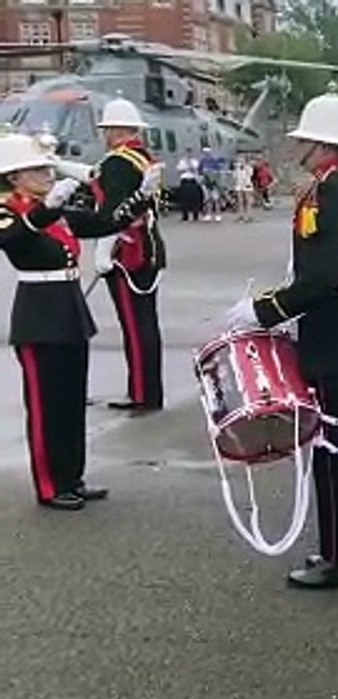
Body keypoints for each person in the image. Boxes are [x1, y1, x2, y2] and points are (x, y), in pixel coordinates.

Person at [225, 89, 338, 589]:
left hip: (336, 336)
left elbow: (319, 280)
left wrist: (263, 311)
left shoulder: (329, 191)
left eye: (304, 140)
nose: (298, 148)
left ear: (319, 143)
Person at [0, 133, 157, 510]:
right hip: (39, 313)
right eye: (38, 170)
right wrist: (45, 210)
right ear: (15, 177)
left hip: (68, 309)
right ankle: (51, 485)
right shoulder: (8, 211)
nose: (47, 175)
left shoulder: (53, 209)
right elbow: (15, 240)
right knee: (45, 406)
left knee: (71, 403)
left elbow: (105, 222)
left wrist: (141, 195)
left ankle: (72, 476)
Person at [90, 98, 167, 416]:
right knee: (146, 323)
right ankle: (150, 389)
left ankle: (141, 393)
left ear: (115, 131)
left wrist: (103, 250)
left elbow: (113, 214)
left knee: (134, 327)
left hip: (128, 251)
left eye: (106, 130)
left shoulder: (117, 163)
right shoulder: (142, 157)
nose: (104, 136)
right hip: (148, 247)